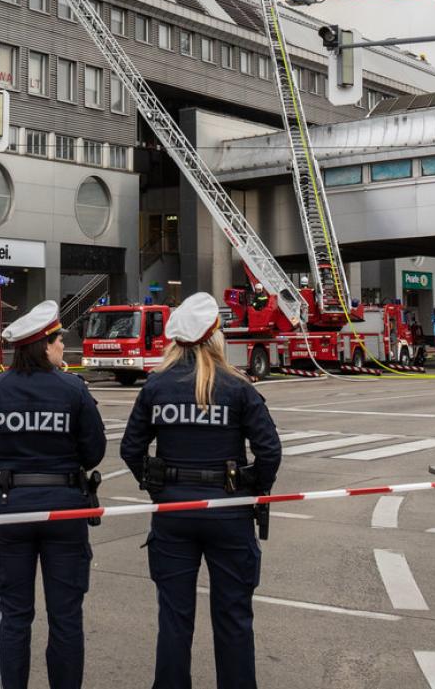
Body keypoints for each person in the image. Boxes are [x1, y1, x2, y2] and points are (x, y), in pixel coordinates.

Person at [122, 292, 281, 689]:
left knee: (174, 619)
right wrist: (253, 491)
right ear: (215, 337)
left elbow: (130, 449)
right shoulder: (238, 387)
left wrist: (156, 487)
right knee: (233, 619)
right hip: (229, 512)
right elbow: (269, 451)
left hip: (173, 514)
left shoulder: (156, 386)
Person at [0, 301, 104, 689]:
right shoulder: (73, 390)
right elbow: (94, 452)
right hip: (65, 512)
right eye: (59, 340)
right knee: (66, 617)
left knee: (13, 616)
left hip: (11, 510)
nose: (63, 345)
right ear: (43, 346)